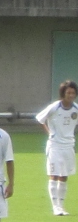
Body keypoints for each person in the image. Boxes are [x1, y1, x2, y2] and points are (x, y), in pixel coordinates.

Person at [36, 80, 78, 215]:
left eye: (73, 92)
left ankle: (61, 206)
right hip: (54, 146)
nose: (71, 95)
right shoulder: (55, 107)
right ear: (63, 93)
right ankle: (55, 207)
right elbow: (40, 118)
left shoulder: (76, 109)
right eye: (68, 92)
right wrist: (50, 133)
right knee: (53, 175)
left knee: (64, 176)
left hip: (69, 146)